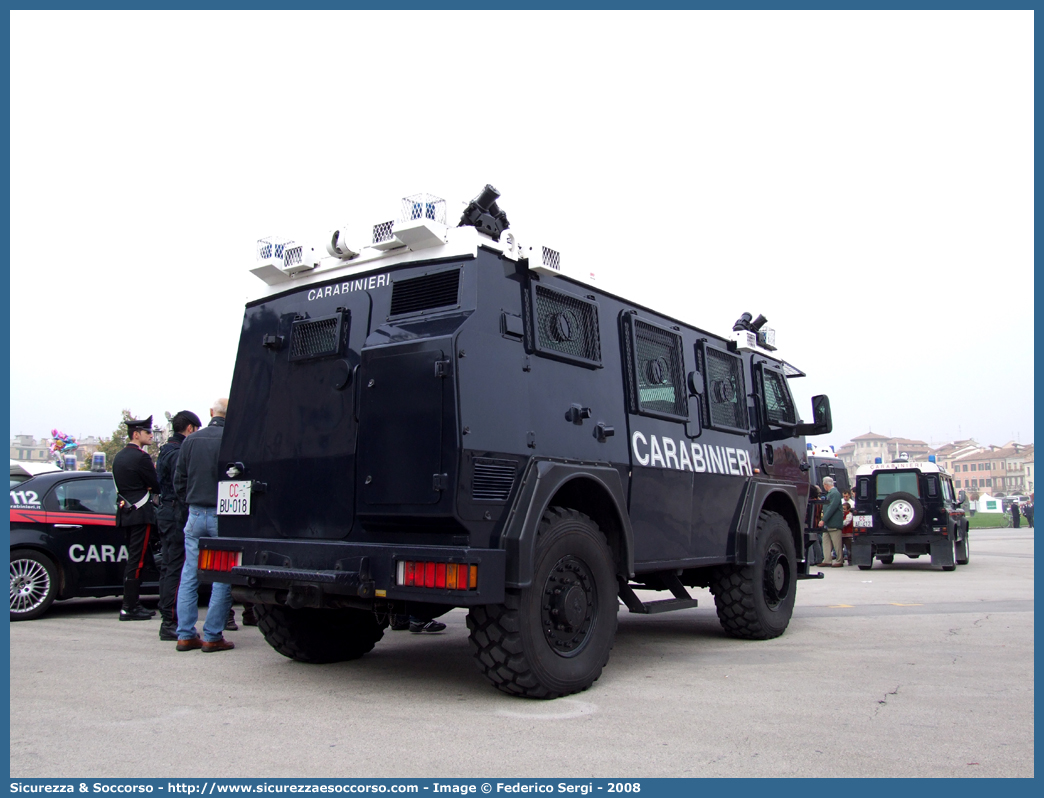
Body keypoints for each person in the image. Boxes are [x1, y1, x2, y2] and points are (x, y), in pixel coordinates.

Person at [173, 398, 234, 652]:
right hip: (223, 514)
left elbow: (179, 479)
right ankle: (212, 635)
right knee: (222, 576)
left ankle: (185, 634)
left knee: (189, 574)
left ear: (211, 413)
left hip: (195, 512)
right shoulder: (232, 439)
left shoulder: (191, 440)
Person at [154, 410, 201, 641]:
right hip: (175, 513)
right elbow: (181, 484)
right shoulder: (178, 453)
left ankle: (168, 617)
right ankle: (170, 621)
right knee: (176, 566)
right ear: (190, 429)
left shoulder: (165, 449)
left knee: (168, 565)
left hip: (165, 510)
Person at [111, 415, 161, 621]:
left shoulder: (119, 456)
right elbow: (156, 485)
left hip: (125, 514)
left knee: (133, 559)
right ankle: (130, 606)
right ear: (136, 434)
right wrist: (150, 486)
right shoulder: (141, 457)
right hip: (140, 514)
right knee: (137, 560)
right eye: (147, 432)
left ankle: (130, 604)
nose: (151, 435)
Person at [818, 476, 844, 567]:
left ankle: (839, 560)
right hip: (828, 524)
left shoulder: (835, 493)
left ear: (825, 485)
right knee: (825, 541)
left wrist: (823, 520)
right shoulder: (830, 493)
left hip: (834, 523)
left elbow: (832, 508)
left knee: (837, 543)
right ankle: (827, 559)